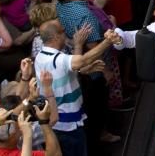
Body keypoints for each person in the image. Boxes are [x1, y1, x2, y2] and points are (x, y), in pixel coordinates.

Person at [34, 21, 121, 156]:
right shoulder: (57, 59)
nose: (66, 35)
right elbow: (82, 60)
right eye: (62, 31)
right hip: (67, 125)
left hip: (60, 123)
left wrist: (83, 71)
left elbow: (62, 73)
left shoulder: (41, 57)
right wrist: (107, 41)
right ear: (56, 37)